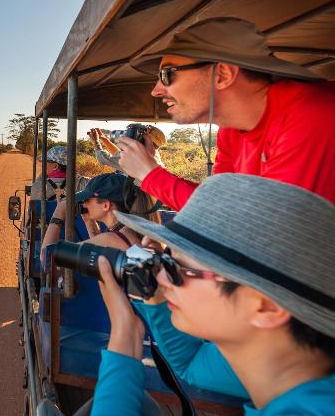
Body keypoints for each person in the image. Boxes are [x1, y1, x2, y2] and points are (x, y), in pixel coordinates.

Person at [90, 174, 335, 415]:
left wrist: (120, 348)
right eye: (164, 261)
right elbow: (191, 363)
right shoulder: (287, 363)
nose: (161, 278)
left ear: (266, 307)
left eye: (177, 268)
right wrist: (130, 329)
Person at [116, 17, 335, 209]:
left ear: (222, 74)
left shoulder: (311, 115)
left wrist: (150, 174)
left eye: (167, 75)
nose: (156, 90)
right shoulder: (231, 131)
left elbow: (264, 234)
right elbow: (220, 206)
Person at [40, 173, 151, 268]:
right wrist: (89, 222)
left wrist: (58, 213)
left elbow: (47, 258)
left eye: (88, 200)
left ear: (106, 205)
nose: (84, 204)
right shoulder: (127, 232)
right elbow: (101, 250)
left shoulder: (112, 238)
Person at [89, 126, 165, 181]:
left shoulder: (137, 159)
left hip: (134, 199)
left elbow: (102, 158)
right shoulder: (153, 155)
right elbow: (118, 154)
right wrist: (104, 139)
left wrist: (96, 141)